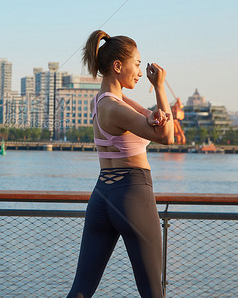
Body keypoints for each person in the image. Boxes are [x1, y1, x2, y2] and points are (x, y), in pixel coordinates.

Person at [67, 30, 174, 298]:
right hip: (132, 195)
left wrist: (154, 116)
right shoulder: (115, 107)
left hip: (102, 196)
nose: (140, 71)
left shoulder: (104, 101)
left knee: (80, 291)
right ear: (118, 66)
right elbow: (167, 136)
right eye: (137, 64)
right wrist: (160, 87)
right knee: (153, 293)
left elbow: (152, 119)